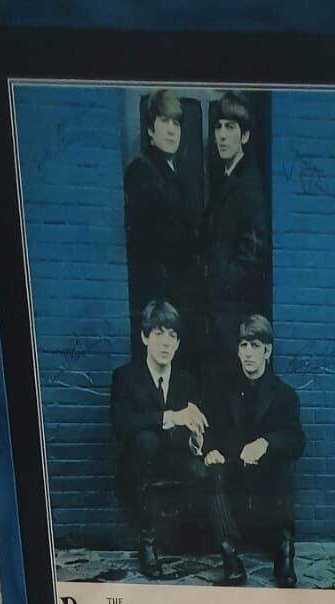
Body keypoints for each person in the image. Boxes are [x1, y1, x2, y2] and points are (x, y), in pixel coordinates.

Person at [111, 299, 224, 577]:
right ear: (144, 337)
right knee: (145, 439)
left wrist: (199, 441)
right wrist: (173, 416)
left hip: (177, 462)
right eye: (158, 334)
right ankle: (147, 542)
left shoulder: (187, 381)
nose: (165, 343)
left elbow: (198, 432)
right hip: (139, 468)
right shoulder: (125, 377)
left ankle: (213, 542)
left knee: (208, 468)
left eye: (172, 336)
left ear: (178, 343)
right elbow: (123, 424)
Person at [202, 314, 305, 587]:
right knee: (213, 471)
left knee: (282, 464)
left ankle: (284, 552)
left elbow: (297, 440)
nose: (248, 353)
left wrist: (266, 443)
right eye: (244, 345)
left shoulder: (285, 395)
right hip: (234, 474)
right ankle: (230, 555)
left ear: (267, 351)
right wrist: (210, 450)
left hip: (266, 482)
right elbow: (210, 428)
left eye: (255, 346)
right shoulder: (223, 390)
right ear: (237, 350)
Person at [123, 91, 201, 351]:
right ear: (149, 129)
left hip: (176, 299)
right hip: (158, 300)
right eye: (164, 122)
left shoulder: (171, 174)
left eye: (176, 123)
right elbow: (147, 243)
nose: (171, 131)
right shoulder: (143, 171)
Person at [202, 93, 270, 356]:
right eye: (218, 127)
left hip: (235, 316)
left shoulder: (249, 184)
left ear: (245, 136)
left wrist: (222, 286)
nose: (221, 135)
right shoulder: (225, 180)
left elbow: (254, 251)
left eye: (230, 127)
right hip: (221, 315)